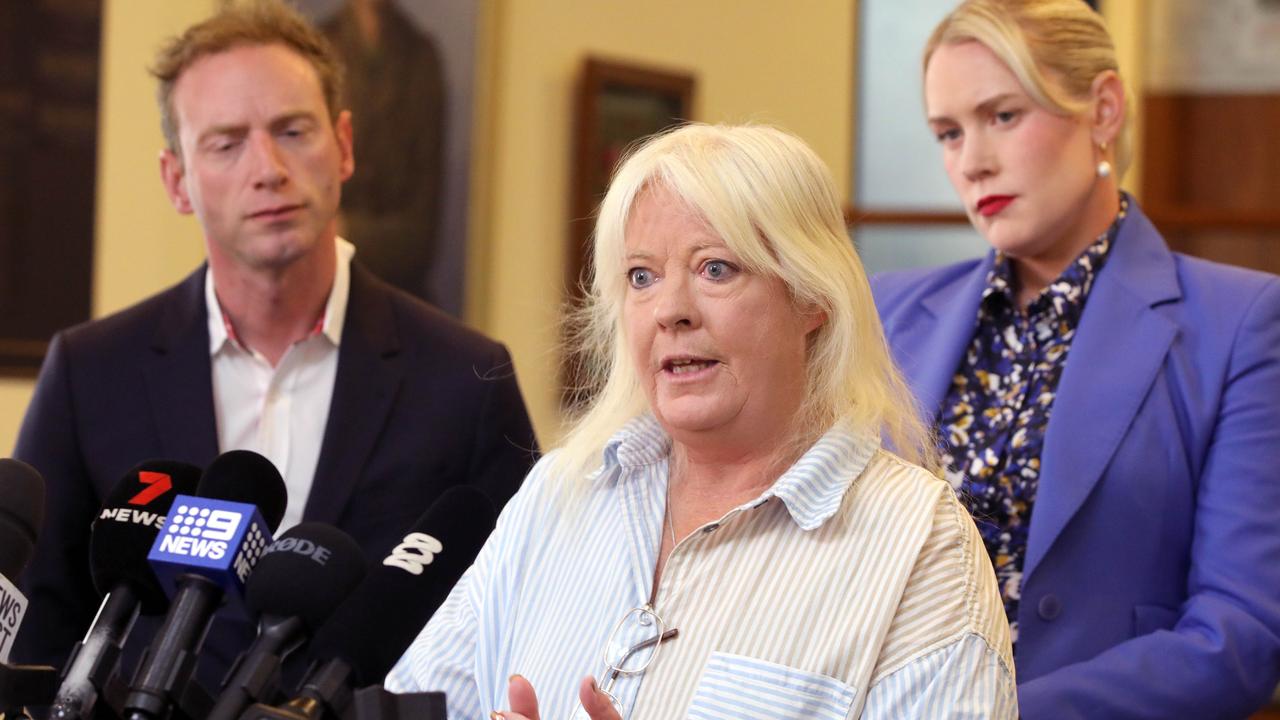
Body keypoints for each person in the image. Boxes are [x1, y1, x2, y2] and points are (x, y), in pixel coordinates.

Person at [386, 123, 1016, 719]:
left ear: (814, 298)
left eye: (717, 269)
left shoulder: (920, 545)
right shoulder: (558, 495)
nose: (670, 310)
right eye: (642, 277)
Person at [12, 0, 537, 692]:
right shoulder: (90, 373)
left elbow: (518, 622)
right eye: (226, 143)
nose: (268, 168)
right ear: (177, 180)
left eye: (292, 131)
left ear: (344, 146)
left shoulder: (466, 379)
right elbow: (35, 633)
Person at [870, 1, 1280, 716]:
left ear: (1103, 109)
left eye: (1002, 116)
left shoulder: (1242, 323)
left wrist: (995, 713)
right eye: (947, 132)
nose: (972, 161)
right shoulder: (886, 313)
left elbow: (1241, 635)